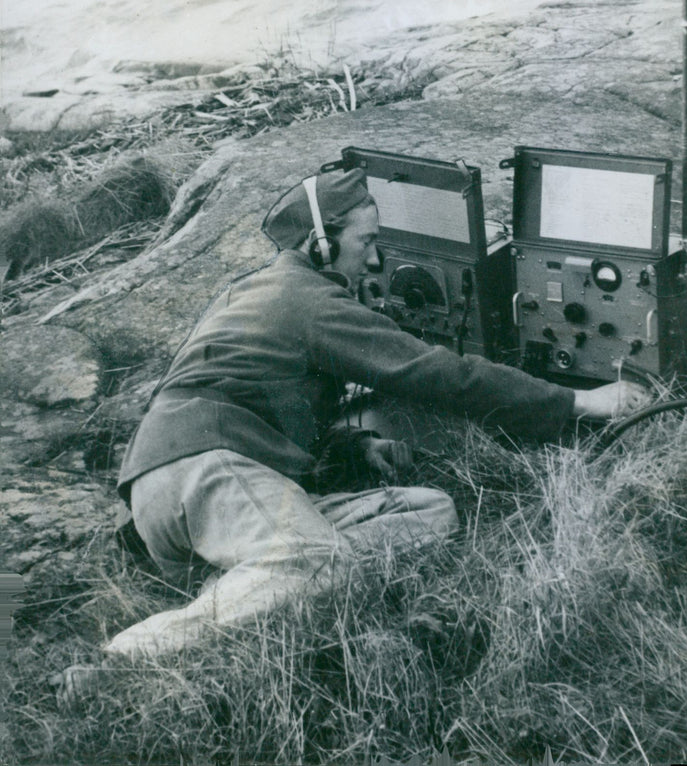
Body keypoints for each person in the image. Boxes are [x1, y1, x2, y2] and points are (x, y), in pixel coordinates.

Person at [91, 167, 651, 662]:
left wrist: (353, 448)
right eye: (368, 241)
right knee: (316, 566)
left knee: (432, 514)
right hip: (203, 471)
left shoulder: (255, 291)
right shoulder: (310, 300)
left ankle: (251, 587)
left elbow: (264, 406)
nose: (377, 259)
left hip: (167, 494)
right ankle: (132, 659)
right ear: (321, 245)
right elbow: (439, 372)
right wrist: (576, 400)